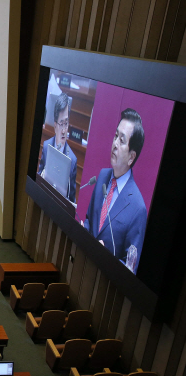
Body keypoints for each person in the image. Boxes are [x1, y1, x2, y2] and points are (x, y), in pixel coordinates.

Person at [82, 108, 146, 272]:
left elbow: (130, 268)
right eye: (116, 136)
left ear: (131, 157)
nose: (115, 144)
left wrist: (106, 259)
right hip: (83, 265)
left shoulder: (137, 208)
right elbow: (90, 218)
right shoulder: (103, 176)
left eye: (122, 140)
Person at [38, 93, 78, 203]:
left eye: (66, 123)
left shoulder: (72, 160)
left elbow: (71, 199)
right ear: (55, 125)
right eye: (61, 123)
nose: (64, 130)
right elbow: (39, 175)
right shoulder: (47, 146)